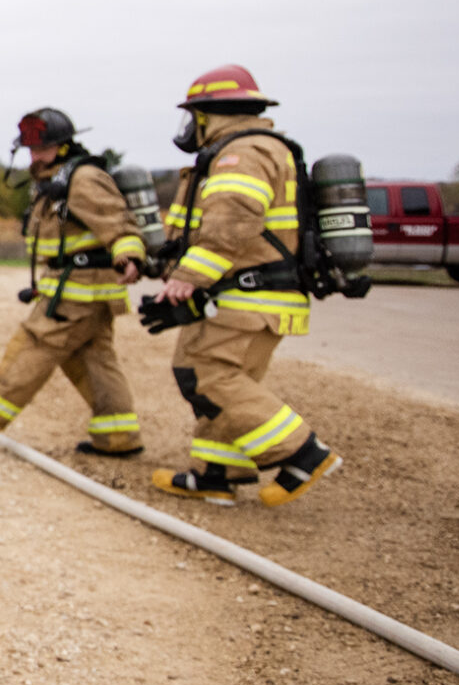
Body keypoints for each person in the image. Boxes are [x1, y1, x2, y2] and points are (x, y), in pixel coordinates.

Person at [146, 66, 341, 506]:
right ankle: (217, 474)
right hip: (254, 292)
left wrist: (188, 277)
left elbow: (234, 219)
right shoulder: (259, 148)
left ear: (207, 115)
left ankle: (303, 453)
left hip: (246, 293)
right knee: (228, 378)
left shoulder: (242, 153)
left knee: (204, 374)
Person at [0, 109, 144, 453]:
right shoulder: (57, 180)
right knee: (93, 359)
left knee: (35, 343)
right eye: (31, 150)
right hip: (82, 286)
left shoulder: (82, 179)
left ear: (63, 146)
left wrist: (130, 254)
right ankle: (118, 435)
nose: (35, 156)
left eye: (42, 149)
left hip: (80, 287)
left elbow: (118, 221)